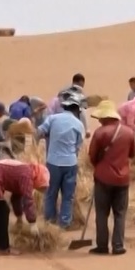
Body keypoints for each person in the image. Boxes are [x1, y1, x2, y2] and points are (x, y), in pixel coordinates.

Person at [87, 100, 135, 255]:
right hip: (123, 179)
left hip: (103, 177)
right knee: (120, 213)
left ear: (105, 117)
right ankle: (118, 245)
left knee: (102, 213)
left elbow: (92, 155)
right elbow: (132, 154)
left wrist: (99, 166)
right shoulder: (129, 132)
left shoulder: (100, 133)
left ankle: (102, 245)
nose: (99, 120)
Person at [0, 159, 48, 255]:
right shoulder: (27, 176)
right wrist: (32, 222)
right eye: (41, 186)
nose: (40, 189)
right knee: (2, 211)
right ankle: (3, 248)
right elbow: (28, 200)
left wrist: (19, 217)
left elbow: (16, 198)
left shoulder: (27, 172)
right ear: (39, 178)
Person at [34, 96, 85, 228]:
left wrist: (36, 145)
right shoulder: (78, 124)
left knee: (51, 193)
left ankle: (50, 221)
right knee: (68, 196)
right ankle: (65, 223)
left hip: (53, 162)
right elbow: (79, 145)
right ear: (76, 110)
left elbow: (39, 132)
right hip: (70, 163)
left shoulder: (53, 118)